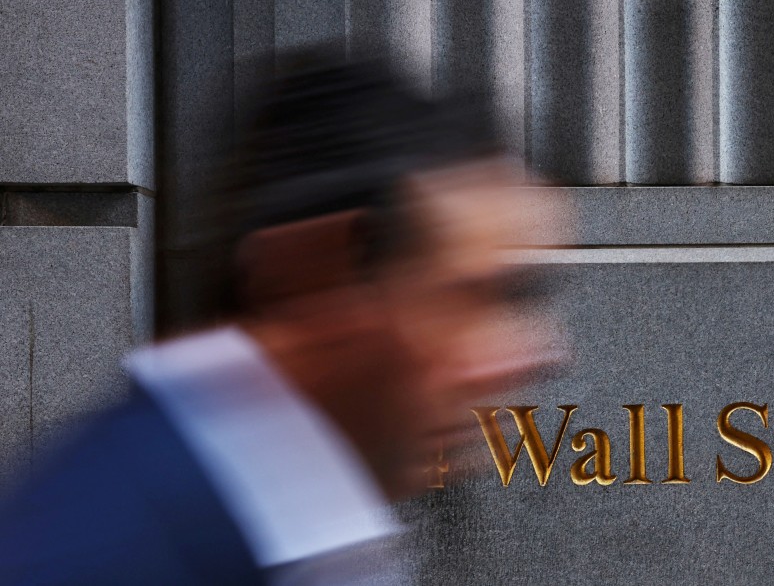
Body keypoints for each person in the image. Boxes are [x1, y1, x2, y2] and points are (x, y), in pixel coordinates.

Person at [0, 52, 561, 584]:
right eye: (475, 296)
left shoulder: (277, 540)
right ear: (315, 270)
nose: (534, 353)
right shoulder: (98, 553)